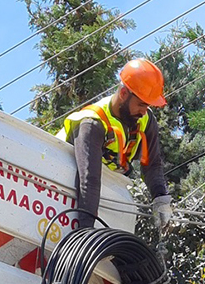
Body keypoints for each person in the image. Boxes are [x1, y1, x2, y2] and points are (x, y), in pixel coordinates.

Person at [57, 58, 173, 230]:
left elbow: (151, 164)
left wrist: (160, 198)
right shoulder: (92, 122)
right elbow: (89, 179)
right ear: (124, 93)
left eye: (148, 105)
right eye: (141, 104)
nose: (144, 111)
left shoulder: (145, 120)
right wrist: (85, 233)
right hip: (59, 186)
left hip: (101, 193)